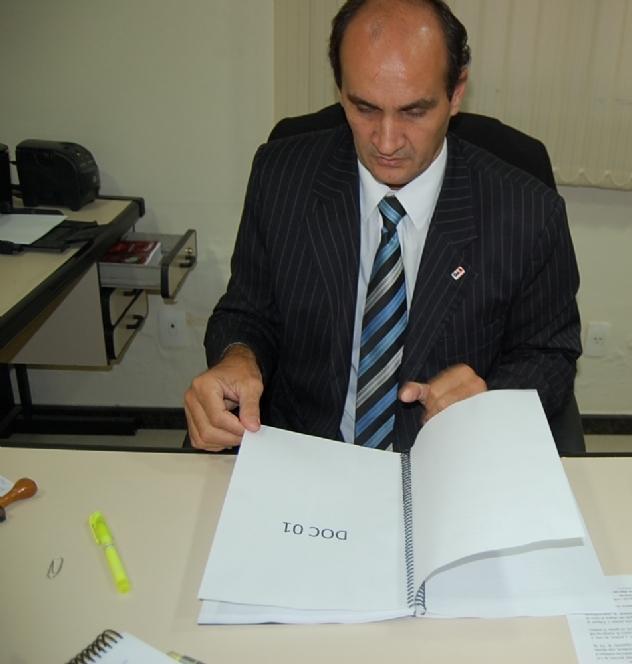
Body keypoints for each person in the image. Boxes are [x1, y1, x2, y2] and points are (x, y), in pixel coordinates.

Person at [184, 0, 580, 453]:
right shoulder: (281, 178)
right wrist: (238, 357)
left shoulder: (528, 213)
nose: (387, 142)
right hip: (305, 455)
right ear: (340, 88)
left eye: (414, 111)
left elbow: (551, 355)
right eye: (365, 108)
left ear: (456, 93)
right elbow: (247, 313)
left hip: (447, 459)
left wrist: (490, 398)